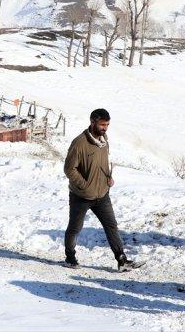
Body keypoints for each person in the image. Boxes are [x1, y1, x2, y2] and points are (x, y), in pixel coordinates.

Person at [63, 108, 139, 271]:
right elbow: (69, 169)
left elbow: (101, 164)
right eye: (102, 124)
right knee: (75, 228)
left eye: (107, 124)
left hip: (102, 194)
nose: (105, 128)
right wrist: (85, 186)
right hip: (81, 196)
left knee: (111, 225)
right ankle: (70, 257)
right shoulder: (79, 143)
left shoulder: (104, 141)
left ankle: (121, 259)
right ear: (92, 122)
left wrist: (107, 178)